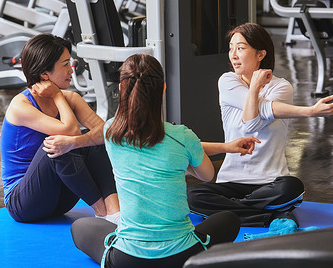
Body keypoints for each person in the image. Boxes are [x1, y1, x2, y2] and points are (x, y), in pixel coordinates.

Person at [71, 54, 260, 268]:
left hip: (128, 260)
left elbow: (155, 143)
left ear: (122, 89)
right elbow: (207, 175)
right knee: (229, 219)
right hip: (183, 256)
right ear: (162, 89)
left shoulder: (111, 131)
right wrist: (183, 163)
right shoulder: (182, 136)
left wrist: (223, 147)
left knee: (80, 227)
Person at [188, 22, 333, 227]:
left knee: (292, 188)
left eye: (240, 47)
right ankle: (267, 217)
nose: (233, 55)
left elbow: (251, 122)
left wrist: (255, 87)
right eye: (231, 48)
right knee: (193, 194)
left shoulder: (282, 87)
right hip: (231, 181)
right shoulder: (227, 81)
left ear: (260, 54)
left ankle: (230, 210)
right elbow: (253, 120)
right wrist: (308, 111)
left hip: (272, 182)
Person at [0, 34, 120, 224]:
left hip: (60, 200)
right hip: (24, 203)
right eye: (65, 64)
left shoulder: (71, 99)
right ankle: (101, 210)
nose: (71, 69)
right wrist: (57, 95)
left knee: (93, 140)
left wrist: (79, 141)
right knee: (57, 145)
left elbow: (105, 134)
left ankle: (114, 211)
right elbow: (69, 131)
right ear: (44, 75)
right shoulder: (20, 106)